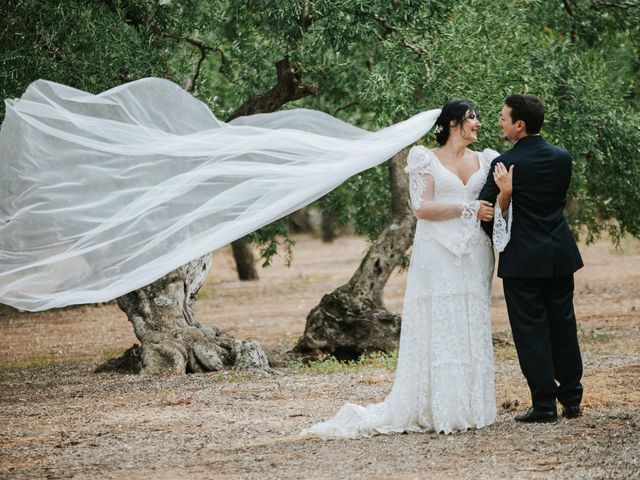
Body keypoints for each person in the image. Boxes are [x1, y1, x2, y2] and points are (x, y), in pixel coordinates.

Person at [302, 100, 512, 438]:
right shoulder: (424, 157)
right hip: (437, 252)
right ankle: (435, 406)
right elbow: (422, 208)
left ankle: (471, 406)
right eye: (474, 118)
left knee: (470, 319)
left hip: (474, 251)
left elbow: (498, 201)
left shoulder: (487, 160)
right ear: (455, 123)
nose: (480, 124)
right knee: (439, 321)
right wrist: (469, 208)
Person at [478, 94, 584, 423]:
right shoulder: (562, 158)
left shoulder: (504, 165)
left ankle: (543, 405)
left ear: (519, 125)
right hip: (558, 254)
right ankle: (572, 398)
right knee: (563, 325)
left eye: (504, 118)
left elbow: (484, 211)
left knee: (530, 332)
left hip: (523, 259)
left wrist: (504, 201)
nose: (500, 122)